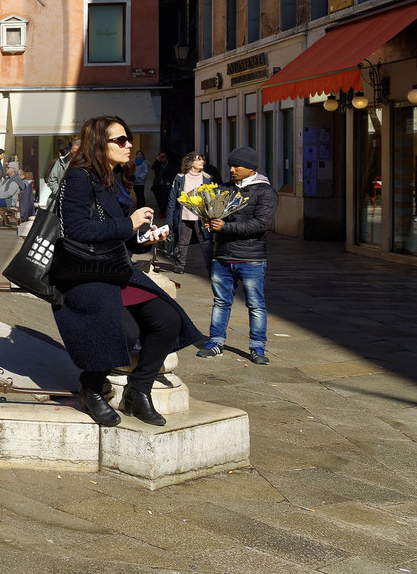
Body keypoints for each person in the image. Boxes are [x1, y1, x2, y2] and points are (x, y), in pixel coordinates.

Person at [51, 116, 204, 428]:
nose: (128, 145)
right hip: (84, 271)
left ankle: (140, 389)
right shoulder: (78, 178)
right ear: (99, 144)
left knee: (168, 319)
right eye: (120, 140)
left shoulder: (111, 180)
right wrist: (129, 223)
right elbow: (77, 230)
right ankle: (91, 387)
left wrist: (145, 236)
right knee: (125, 332)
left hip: (113, 266)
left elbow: (121, 235)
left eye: (128, 138)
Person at [200, 147, 276, 364]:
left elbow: (260, 225)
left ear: (251, 168)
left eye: (236, 166)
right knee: (221, 302)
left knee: (256, 304)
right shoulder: (224, 188)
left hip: (251, 258)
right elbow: (214, 216)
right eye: (230, 166)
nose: (232, 170)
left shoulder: (265, 192)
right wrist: (210, 223)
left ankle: (257, 347)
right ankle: (215, 342)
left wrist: (224, 227)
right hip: (223, 256)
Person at [165, 152, 214, 274]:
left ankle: (212, 268)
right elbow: (172, 199)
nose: (202, 162)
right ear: (191, 163)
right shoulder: (180, 178)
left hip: (201, 217)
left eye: (202, 160)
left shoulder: (207, 178)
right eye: (198, 160)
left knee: (206, 242)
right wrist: (169, 219)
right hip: (184, 215)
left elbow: (212, 199)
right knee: (182, 242)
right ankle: (180, 266)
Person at [149, 151, 172, 216]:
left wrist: (169, 182)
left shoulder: (169, 165)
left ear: (166, 158)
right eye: (160, 157)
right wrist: (157, 160)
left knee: (165, 199)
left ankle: (163, 212)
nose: (162, 158)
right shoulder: (158, 164)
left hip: (166, 185)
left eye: (163, 157)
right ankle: (162, 211)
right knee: (159, 199)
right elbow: (152, 167)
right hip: (157, 184)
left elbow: (171, 174)